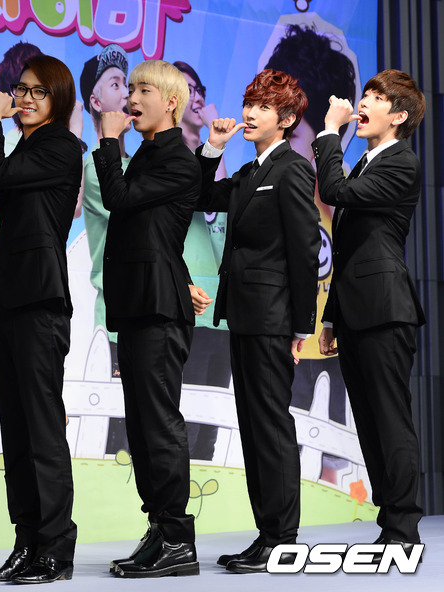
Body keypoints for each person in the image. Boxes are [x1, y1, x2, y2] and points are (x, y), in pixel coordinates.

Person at [192, 69, 320, 573]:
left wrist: (302, 326)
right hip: (243, 315)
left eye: (263, 106)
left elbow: (304, 250)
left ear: (286, 119)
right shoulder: (248, 171)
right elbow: (201, 197)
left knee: (270, 425)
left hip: (273, 318)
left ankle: (282, 539)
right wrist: (212, 148)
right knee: (252, 426)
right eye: (249, 103)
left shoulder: (293, 169)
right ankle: (267, 534)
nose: (249, 113)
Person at [0, 55, 82, 584]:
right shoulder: (28, 148)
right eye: (22, 89)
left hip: (40, 302)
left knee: (41, 429)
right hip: (10, 300)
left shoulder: (61, 146)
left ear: (58, 100)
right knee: (16, 431)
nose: (27, 98)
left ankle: (56, 548)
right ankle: (27, 542)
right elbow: (0, 187)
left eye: (40, 91)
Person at [92, 59, 201, 578]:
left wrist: (107, 141)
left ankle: (177, 538)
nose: (131, 99)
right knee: (140, 427)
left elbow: (118, 200)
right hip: (140, 306)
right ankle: (159, 527)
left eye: (143, 90)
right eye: (129, 89)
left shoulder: (177, 159)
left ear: (171, 103)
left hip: (159, 309)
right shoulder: (148, 154)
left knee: (158, 423)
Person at [314, 69, 426, 558]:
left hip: (385, 309)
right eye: (365, 94)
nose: (362, 103)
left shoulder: (402, 162)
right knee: (368, 420)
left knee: (389, 419)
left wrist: (327, 132)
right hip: (357, 312)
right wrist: (331, 318)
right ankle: (390, 522)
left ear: (398, 116)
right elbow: (348, 249)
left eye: (375, 97)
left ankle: (403, 526)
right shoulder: (365, 162)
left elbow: (334, 193)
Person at [265, 25, 356, 465]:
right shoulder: (265, 184)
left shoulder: (343, 192)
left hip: (333, 349)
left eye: (293, 133)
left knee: (334, 464)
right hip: (283, 345)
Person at [173, 60, 231, 461]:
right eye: (187, 90)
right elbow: (198, 192)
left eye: (200, 90)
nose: (196, 98)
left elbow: (221, 197)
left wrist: (215, 143)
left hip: (221, 310)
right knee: (186, 414)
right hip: (188, 303)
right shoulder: (170, 157)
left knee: (211, 422)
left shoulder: (213, 153)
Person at [80, 43, 130, 453]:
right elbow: (134, 217)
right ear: (95, 103)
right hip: (118, 314)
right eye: (115, 84)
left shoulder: (141, 162)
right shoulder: (96, 164)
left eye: (128, 83)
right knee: (120, 438)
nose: (127, 93)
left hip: (148, 310)